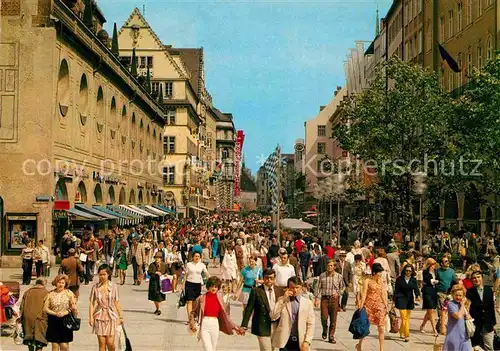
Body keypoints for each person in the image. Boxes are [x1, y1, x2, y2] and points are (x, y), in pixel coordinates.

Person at [189, 276, 244, 351]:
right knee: (208, 349)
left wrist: (235, 327)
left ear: (218, 288)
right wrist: (192, 323)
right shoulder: (201, 298)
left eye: (216, 287)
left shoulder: (220, 299)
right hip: (204, 324)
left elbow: (226, 316)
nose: (214, 288)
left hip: (215, 324)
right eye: (212, 286)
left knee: (213, 348)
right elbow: (193, 312)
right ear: (208, 287)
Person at [270, 276, 314, 351]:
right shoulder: (282, 300)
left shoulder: (307, 303)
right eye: (292, 287)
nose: (295, 290)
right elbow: (273, 316)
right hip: (285, 341)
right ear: (287, 288)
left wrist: (307, 341)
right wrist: (283, 299)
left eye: (297, 287)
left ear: (301, 287)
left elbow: (310, 324)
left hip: (300, 341)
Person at [241, 268, 278, 351]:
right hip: (262, 325)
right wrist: (244, 325)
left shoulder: (279, 290)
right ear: (263, 278)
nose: (269, 280)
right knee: (266, 349)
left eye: (271, 278)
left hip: (275, 325)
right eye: (267, 278)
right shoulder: (256, 291)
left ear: (274, 278)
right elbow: (249, 308)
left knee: (273, 349)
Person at [89, 264, 124, 351]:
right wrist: (90, 317)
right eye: (100, 274)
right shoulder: (95, 287)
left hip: (111, 316)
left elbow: (116, 302)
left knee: (110, 343)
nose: (102, 276)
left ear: (108, 274)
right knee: (102, 343)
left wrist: (121, 317)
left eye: (104, 274)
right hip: (99, 316)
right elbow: (91, 303)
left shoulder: (114, 287)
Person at [356, 263, 388, 351]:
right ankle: (359, 344)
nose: (380, 274)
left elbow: (382, 294)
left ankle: (381, 349)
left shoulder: (380, 280)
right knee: (365, 327)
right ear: (374, 272)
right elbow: (364, 293)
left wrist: (386, 305)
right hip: (369, 306)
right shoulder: (367, 281)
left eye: (381, 272)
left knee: (381, 328)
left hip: (379, 306)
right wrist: (361, 306)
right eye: (379, 272)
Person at [44, 274, 78, 351]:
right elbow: (45, 308)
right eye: (59, 282)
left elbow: (73, 307)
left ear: (65, 284)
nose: (61, 284)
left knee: (64, 345)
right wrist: (55, 313)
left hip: (66, 320)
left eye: (63, 283)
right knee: (54, 345)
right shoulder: (50, 294)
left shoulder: (69, 293)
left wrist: (65, 312)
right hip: (53, 320)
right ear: (56, 283)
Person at [314, 259, 345, 344]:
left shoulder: (339, 276)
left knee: (333, 319)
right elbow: (317, 287)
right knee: (324, 317)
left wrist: (338, 293)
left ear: (334, 267)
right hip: (324, 299)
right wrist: (316, 298)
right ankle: (324, 329)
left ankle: (331, 336)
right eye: (328, 265)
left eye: (331, 266)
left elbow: (343, 287)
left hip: (334, 299)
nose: (329, 267)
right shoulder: (322, 276)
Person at [466, 270, 496, 350]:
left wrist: (493, 323)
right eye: (474, 278)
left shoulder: (489, 290)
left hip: (488, 323)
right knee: (475, 347)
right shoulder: (469, 292)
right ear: (472, 280)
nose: (476, 279)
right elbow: (467, 308)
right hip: (475, 324)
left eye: (478, 277)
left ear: (482, 278)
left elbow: (491, 308)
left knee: (489, 347)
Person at [20, 278, 49, 351]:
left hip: (28, 320)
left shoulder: (27, 292)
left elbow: (21, 307)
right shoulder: (46, 293)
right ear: (44, 284)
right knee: (39, 341)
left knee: (30, 341)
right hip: (40, 320)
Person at [394, 263, 420, 342]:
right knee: (404, 317)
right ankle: (407, 335)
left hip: (409, 300)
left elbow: (416, 289)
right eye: (406, 271)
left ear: (412, 272)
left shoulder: (413, 280)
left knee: (406, 318)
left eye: (410, 271)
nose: (408, 272)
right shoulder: (399, 279)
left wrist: (418, 296)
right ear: (404, 271)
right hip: (401, 299)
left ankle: (401, 332)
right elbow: (396, 290)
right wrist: (394, 299)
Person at [443, 284, 473, 351]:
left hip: (464, 336)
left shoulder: (463, 304)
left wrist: (465, 308)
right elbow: (458, 316)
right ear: (452, 294)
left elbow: (469, 318)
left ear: (463, 296)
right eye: (456, 295)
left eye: (460, 295)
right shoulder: (451, 304)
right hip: (454, 335)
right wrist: (462, 305)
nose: (458, 297)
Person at [185, 251, 210, 318]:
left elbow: (206, 273)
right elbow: (186, 275)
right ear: (193, 257)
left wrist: (211, 280)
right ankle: (190, 318)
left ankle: (194, 315)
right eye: (195, 256)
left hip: (197, 284)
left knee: (195, 301)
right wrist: (183, 285)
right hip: (189, 283)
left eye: (198, 256)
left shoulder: (202, 265)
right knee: (189, 301)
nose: (197, 257)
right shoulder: (189, 264)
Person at [436, 255, 457, 335]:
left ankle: (440, 325)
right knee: (442, 309)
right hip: (440, 293)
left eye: (448, 261)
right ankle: (441, 327)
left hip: (449, 293)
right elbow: (435, 279)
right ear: (441, 263)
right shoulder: (438, 271)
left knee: (448, 310)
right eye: (445, 261)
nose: (447, 262)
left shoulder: (451, 271)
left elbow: (454, 281)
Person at [420, 257, 439, 336]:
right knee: (431, 311)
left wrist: (435, 281)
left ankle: (422, 326)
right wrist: (434, 281)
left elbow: (437, 280)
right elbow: (427, 280)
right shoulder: (425, 272)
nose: (433, 266)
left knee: (429, 311)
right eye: (431, 265)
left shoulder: (436, 271)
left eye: (434, 265)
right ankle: (434, 329)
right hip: (427, 292)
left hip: (433, 292)